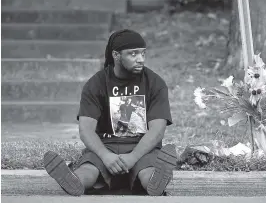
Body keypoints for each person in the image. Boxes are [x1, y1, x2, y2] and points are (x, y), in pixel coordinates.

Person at [43, 29, 177, 196]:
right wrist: (105, 156)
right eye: (133, 54)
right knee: (88, 170)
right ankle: (73, 181)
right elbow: (86, 130)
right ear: (116, 55)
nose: (140, 59)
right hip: (106, 148)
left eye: (143, 53)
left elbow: (157, 131)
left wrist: (133, 157)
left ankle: (157, 182)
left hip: (142, 148)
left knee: (147, 171)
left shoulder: (155, 83)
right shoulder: (96, 84)